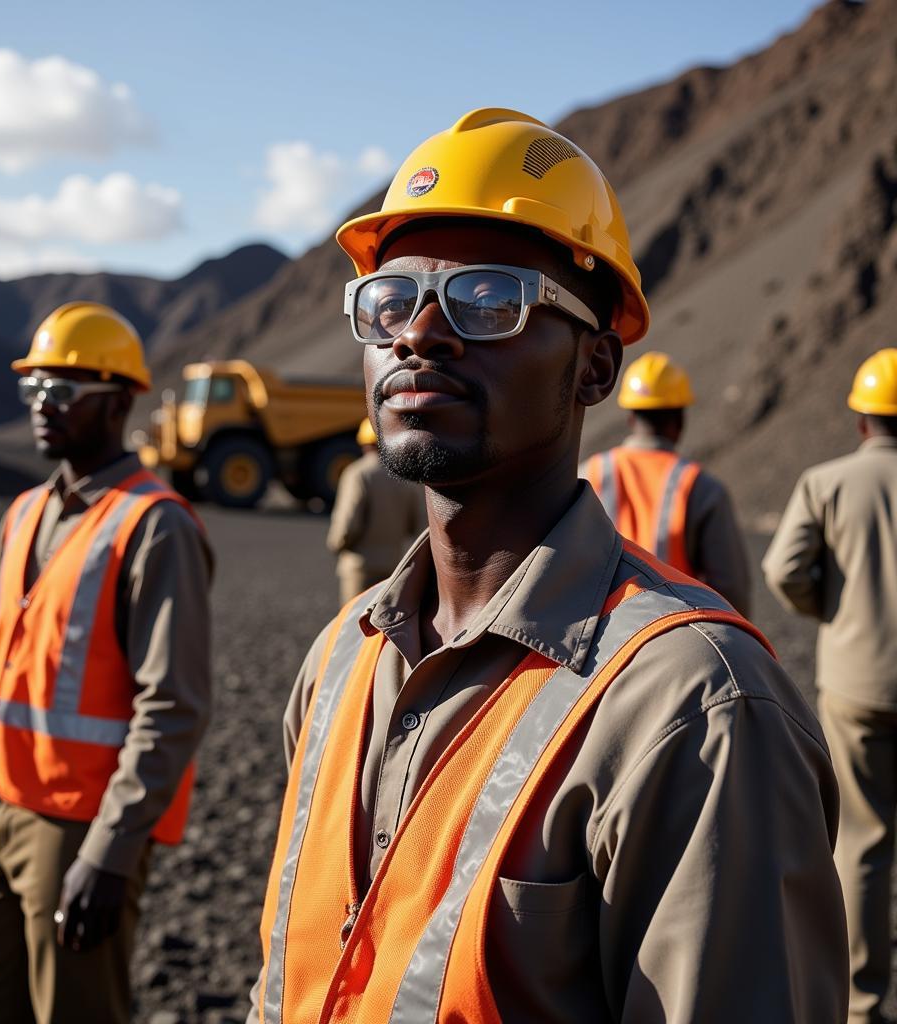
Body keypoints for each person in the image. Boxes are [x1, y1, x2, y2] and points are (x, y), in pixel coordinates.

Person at [249, 108, 846, 1023]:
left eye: (489, 300)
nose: (420, 334)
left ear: (594, 367)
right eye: (391, 300)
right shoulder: (340, 660)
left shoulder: (699, 712)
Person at [0, 302, 213, 1024]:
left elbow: (171, 708)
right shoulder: (22, 514)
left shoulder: (156, 526)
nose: (40, 408)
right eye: (32, 391)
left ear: (115, 402)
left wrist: (110, 854)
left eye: (60, 392)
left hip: (77, 828)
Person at [763, 347, 897, 1024]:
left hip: (857, 684)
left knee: (865, 845)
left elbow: (784, 569)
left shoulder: (827, 481)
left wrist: (835, 613)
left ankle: (865, 1003)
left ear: (859, 420)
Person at [580, 350, 751, 615]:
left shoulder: (587, 474)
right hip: (674, 633)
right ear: (680, 420)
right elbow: (731, 590)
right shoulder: (701, 487)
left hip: (595, 635)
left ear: (631, 418)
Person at [326, 417, 426, 606]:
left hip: (360, 566)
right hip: (393, 567)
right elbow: (418, 525)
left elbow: (348, 524)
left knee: (353, 629)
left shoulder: (359, 473)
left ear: (364, 443)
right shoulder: (406, 477)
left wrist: (336, 544)